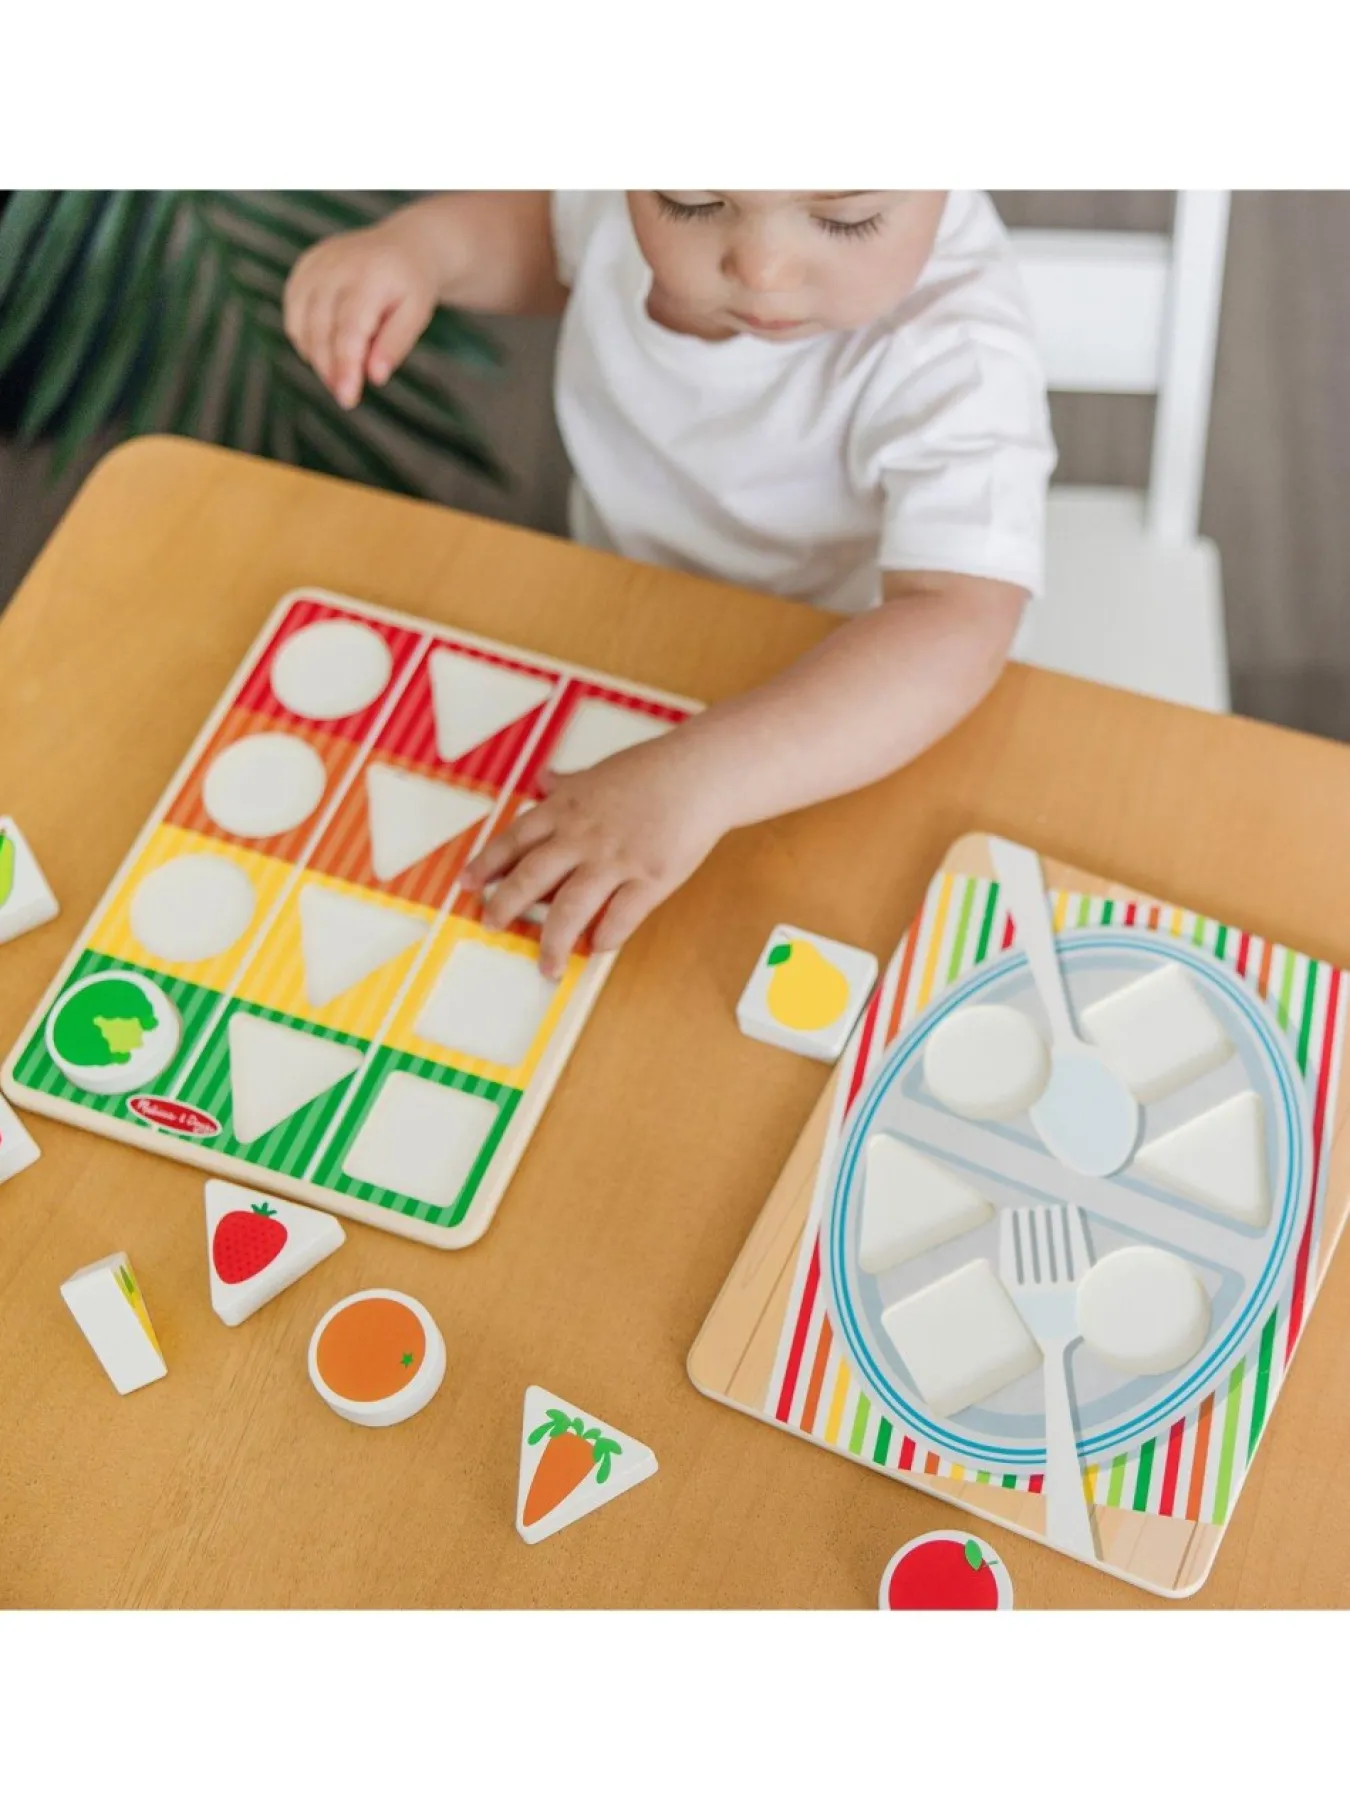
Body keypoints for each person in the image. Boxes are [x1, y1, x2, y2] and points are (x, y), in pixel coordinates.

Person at [284, 191, 1055, 976]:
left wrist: (701, 781)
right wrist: (423, 249)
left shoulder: (957, 358)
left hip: (846, 712)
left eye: (847, 219)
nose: (761, 268)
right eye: (691, 201)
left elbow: (959, 620)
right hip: (629, 608)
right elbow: (554, 238)